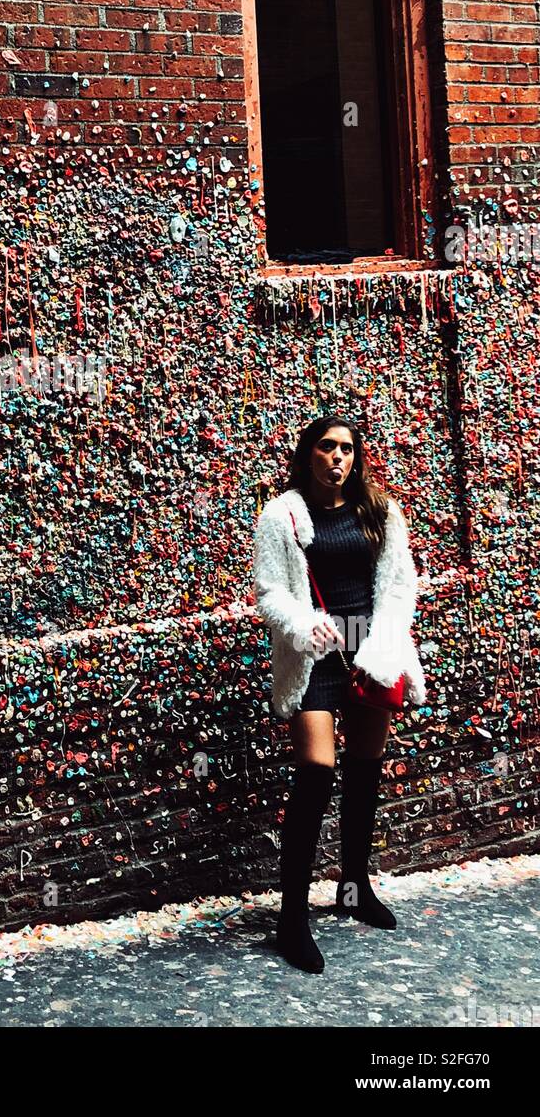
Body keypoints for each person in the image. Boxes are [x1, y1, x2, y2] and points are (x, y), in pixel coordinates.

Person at [252, 415, 428, 973]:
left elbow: (400, 587)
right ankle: (291, 919)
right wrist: (303, 626)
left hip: (369, 653)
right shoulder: (281, 515)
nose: (338, 457)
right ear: (309, 454)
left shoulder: (380, 512)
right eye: (327, 447)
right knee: (316, 771)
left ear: (356, 457)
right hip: (315, 656)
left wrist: (381, 647)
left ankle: (353, 889)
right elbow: (271, 591)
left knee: (364, 768)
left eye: (347, 449)